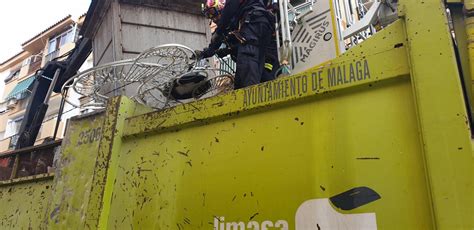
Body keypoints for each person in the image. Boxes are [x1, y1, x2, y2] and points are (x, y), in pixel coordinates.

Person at [198, 0, 275, 89]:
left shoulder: (233, 16)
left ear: (222, 7)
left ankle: (248, 93)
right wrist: (205, 53)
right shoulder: (234, 21)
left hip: (254, 23)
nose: (213, 19)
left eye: (213, 13)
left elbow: (228, 12)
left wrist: (220, 35)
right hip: (261, 28)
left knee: (246, 72)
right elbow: (220, 38)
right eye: (209, 16)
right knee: (254, 73)